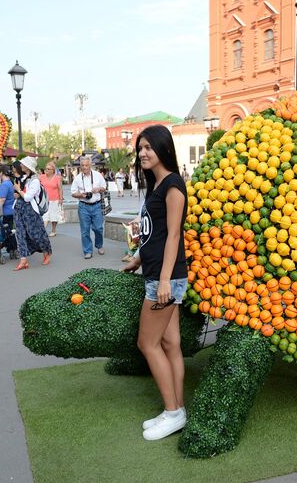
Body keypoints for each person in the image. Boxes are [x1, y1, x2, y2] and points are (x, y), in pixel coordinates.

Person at [122, 125, 189, 441]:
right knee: (169, 343)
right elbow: (154, 234)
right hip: (157, 275)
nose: (143, 153)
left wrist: (163, 281)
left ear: (163, 148)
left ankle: (173, 413)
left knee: (146, 343)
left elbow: (175, 234)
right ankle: (177, 408)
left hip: (166, 279)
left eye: (148, 147)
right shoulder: (157, 185)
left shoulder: (173, 185)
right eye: (140, 148)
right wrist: (137, 258)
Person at [12, 157, 52, 270]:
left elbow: (28, 198)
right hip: (18, 209)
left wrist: (19, 190)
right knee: (20, 234)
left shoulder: (35, 181)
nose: (21, 165)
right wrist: (18, 192)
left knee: (36, 234)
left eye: (23, 164)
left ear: (28, 167)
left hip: (30, 211)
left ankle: (47, 251)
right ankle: (23, 259)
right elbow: (18, 195)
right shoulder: (23, 178)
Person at [71, 156, 106, 259]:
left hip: (96, 205)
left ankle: (99, 245)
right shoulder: (77, 178)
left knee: (98, 228)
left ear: (90, 165)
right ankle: (87, 251)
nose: (84, 167)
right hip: (83, 207)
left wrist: (98, 189)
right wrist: (81, 195)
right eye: (82, 165)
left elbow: (104, 187)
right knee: (85, 231)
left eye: (86, 165)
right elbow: (73, 193)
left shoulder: (97, 175)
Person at [0, 165, 17, 255]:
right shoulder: (10, 183)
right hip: (10, 211)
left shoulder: (4, 185)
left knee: (6, 231)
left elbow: (1, 200)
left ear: (1, 173)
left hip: (5, 211)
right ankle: (12, 248)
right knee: (8, 230)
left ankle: (12, 247)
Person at [39, 161, 63, 237]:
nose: (46, 170)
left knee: (54, 215)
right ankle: (42, 231)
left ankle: (53, 230)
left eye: (48, 169)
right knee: (45, 215)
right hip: (44, 200)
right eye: (46, 169)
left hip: (54, 199)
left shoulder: (57, 178)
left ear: (53, 170)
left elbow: (60, 189)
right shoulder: (41, 177)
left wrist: (61, 199)